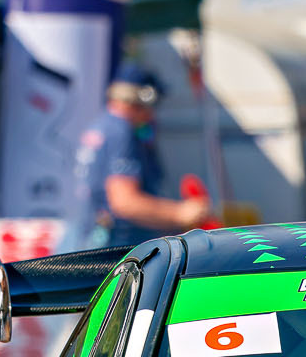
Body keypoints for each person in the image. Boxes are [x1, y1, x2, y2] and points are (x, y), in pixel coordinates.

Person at [65, 64, 212, 250]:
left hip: (93, 239)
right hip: (119, 249)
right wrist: (181, 213)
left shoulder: (101, 125)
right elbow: (124, 202)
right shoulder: (121, 130)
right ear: (143, 99)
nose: (152, 114)